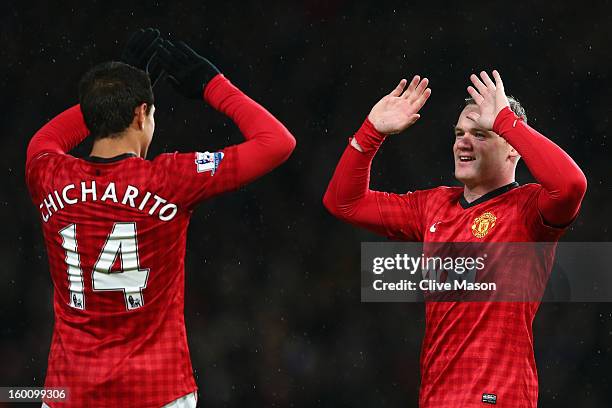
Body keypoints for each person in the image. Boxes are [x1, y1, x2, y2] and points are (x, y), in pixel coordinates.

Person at [26, 29, 295, 407]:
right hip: (157, 391)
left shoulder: (49, 174)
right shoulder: (169, 180)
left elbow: (46, 139)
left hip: (70, 393)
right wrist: (212, 84)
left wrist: (111, 91)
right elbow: (277, 142)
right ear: (141, 114)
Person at [323, 71, 586, 407]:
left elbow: (571, 185)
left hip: (500, 398)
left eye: (480, 134)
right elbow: (344, 202)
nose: (463, 141)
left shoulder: (529, 210)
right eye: (459, 133)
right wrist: (370, 133)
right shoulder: (433, 206)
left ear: (513, 151)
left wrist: (505, 119)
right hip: (437, 398)